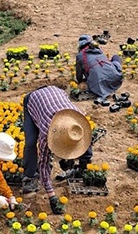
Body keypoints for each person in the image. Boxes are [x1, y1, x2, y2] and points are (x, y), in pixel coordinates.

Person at [21, 86, 93, 214]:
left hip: (57, 92)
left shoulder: (78, 122)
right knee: (31, 143)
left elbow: (86, 144)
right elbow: (43, 163)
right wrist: (51, 195)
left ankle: (78, 168)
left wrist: (82, 167)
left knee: (77, 138)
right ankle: (29, 176)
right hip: (33, 100)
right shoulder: (46, 133)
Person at [75, 35, 123, 100]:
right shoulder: (99, 50)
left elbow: (79, 73)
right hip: (115, 78)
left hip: (98, 85)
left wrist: (80, 81)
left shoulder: (80, 55)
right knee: (115, 57)